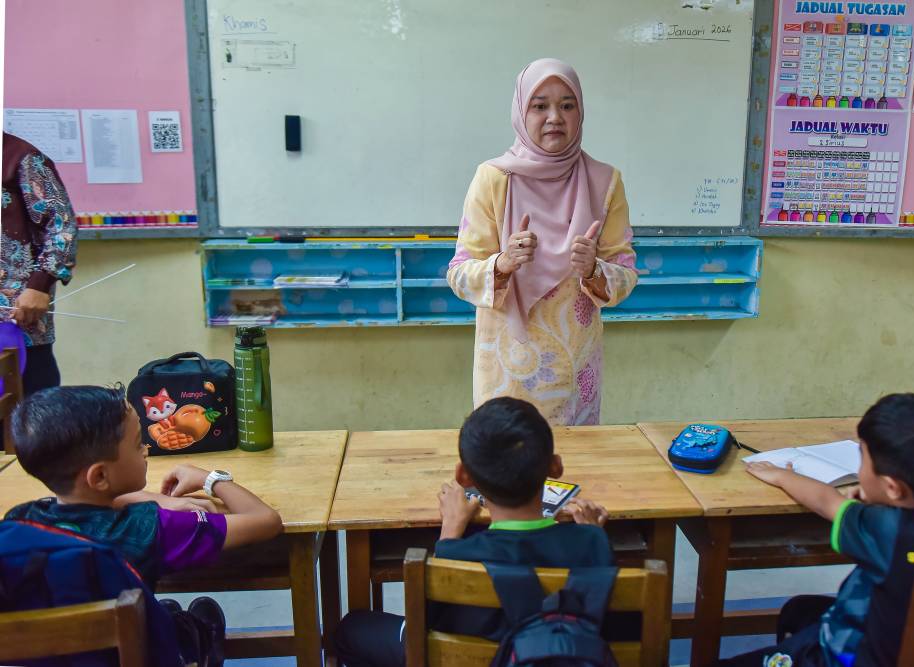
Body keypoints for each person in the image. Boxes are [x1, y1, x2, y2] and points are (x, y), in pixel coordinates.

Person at [3, 385, 284, 666]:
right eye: (138, 443)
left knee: (165, 611)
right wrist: (209, 479)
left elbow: (79, 503)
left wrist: (149, 498)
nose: (146, 450)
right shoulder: (154, 527)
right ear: (99, 476)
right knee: (192, 622)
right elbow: (265, 521)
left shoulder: (19, 522)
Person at [717, 393, 914, 666]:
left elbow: (827, 501)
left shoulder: (884, 529)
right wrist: (885, 500)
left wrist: (782, 475)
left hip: (848, 658)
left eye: (862, 457)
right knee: (799, 610)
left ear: (893, 487)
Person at [332, 396, 615, 667]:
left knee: (350, 630)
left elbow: (422, 635)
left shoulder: (456, 553)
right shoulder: (594, 543)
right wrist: (595, 536)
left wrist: (450, 530)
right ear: (556, 467)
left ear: (463, 477)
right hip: (571, 654)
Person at [447, 59, 637, 426]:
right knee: (506, 472)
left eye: (567, 105)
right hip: (507, 373)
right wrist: (501, 264)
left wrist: (595, 270)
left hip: (574, 372)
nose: (554, 117)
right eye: (540, 106)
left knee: (573, 475)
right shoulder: (493, 178)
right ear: (521, 111)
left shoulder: (605, 181)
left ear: (581, 112)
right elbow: (458, 274)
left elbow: (626, 274)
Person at [1, 132, 79, 394]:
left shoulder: (20, 157)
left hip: (17, 319)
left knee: (31, 417)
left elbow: (61, 225)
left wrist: (40, 284)